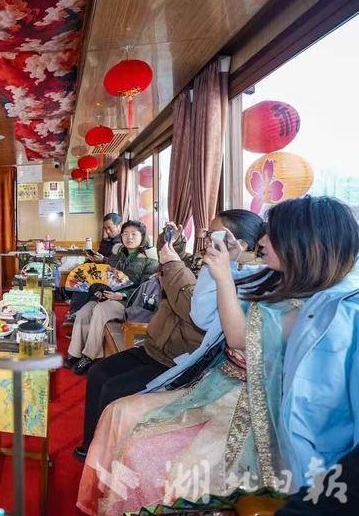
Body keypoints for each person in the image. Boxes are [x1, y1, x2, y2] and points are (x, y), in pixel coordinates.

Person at [77, 196, 359, 515]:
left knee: (139, 439)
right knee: (116, 403)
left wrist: (218, 273)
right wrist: (227, 267)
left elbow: (233, 334)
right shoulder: (272, 278)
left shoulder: (331, 309)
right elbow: (205, 313)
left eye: (273, 235)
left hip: (246, 403)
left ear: (304, 245)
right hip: (212, 379)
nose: (263, 241)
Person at [74, 210, 263, 460]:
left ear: (240, 244)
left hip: (179, 357)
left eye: (213, 235)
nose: (207, 240)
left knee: (113, 388)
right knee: (99, 371)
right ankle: (92, 444)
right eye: (207, 234)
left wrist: (172, 265)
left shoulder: (241, 279)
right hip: (158, 343)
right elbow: (180, 270)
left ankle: (106, 457)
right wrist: (172, 243)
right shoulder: (209, 263)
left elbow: (194, 310)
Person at [66, 220, 158, 374]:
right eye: (125, 234)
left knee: (100, 310)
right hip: (107, 297)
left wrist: (122, 294)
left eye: (134, 234)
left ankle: (89, 356)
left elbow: (145, 290)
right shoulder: (115, 258)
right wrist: (99, 290)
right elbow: (104, 278)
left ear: (142, 237)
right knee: (84, 312)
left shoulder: (150, 262)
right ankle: (74, 353)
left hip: (128, 302)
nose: (129, 237)